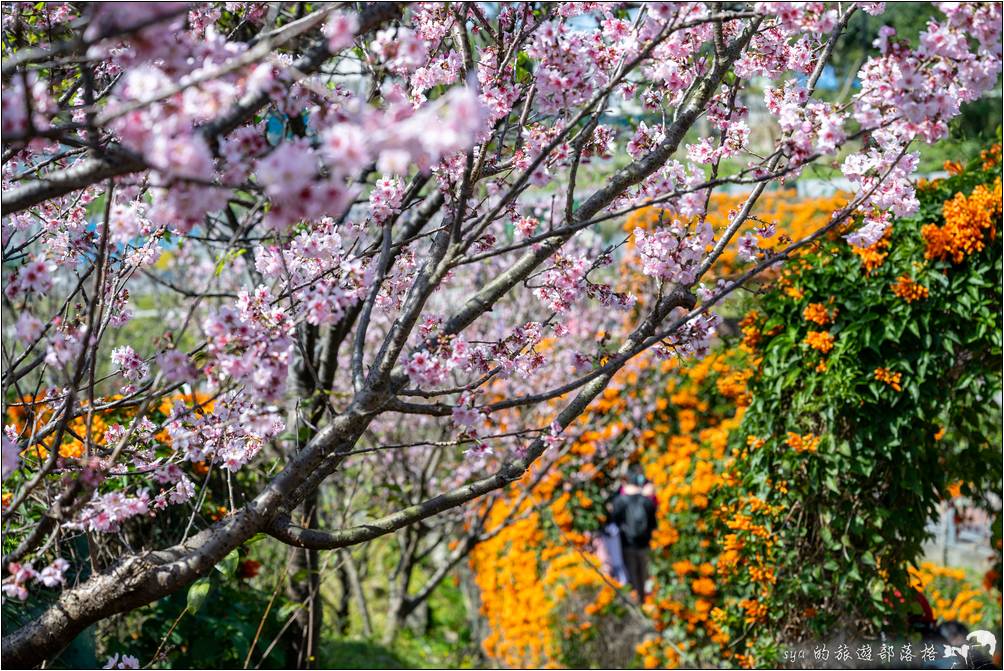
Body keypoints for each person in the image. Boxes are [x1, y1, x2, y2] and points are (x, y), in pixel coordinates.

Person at [610, 464, 657, 600]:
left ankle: (637, 604)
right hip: (646, 545)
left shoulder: (619, 501)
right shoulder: (647, 501)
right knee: (646, 578)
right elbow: (654, 524)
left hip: (626, 545)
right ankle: (647, 604)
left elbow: (614, 523)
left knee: (632, 579)